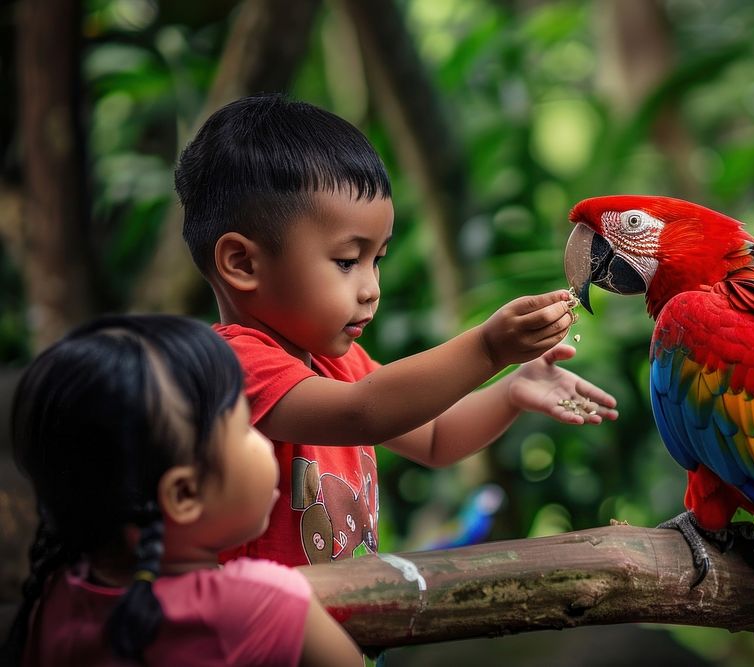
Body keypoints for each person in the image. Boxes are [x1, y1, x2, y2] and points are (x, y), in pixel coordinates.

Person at [176, 93, 618, 567]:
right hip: (266, 634)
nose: (371, 288)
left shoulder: (336, 362)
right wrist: (488, 349)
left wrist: (512, 389)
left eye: (377, 259)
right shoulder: (233, 369)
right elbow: (362, 414)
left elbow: (435, 438)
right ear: (242, 263)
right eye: (347, 261)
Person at [1, 315, 363, 667]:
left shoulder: (53, 599)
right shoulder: (264, 603)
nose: (265, 442)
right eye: (245, 426)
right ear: (184, 495)